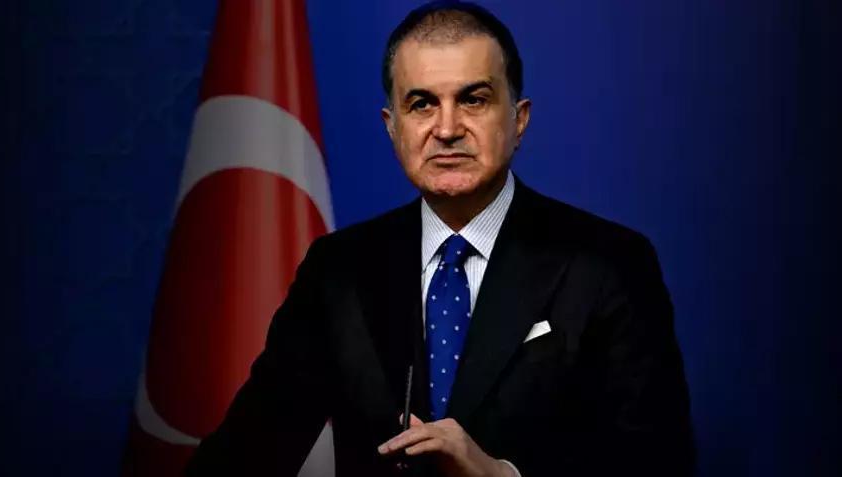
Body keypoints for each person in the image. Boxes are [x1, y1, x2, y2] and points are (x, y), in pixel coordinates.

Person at [186, 1, 695, 476]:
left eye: (473, 99)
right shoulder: (338, 270)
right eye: (422, 104)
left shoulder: (609, 264)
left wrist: (501, 475)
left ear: (519, 120)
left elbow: (660, 464)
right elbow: (245, 453)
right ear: (392, 128)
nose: (447, 128)